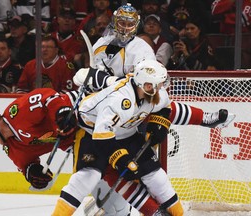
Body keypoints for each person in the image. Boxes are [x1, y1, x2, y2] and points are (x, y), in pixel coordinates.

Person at [72, 3, 235, 215]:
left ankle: (205, 118)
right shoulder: (102, 44)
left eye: (130, 24)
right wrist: (93, 79)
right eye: (121, 22)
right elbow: (88, 79)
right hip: (107, 113)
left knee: (145, 161)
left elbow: (147, 80)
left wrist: (107, 80)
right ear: (114, 21)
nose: (124, 27)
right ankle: (117, 204)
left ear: (136, 25)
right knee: (114, 168)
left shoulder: (141, 48)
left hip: (131, 104)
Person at [52, 59, 184, 216]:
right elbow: (101, 135)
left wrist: (159, 122)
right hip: (92, 133)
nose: (162, 87)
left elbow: (164, 105)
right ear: (147, 85)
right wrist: (121, 159)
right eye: (158, 83)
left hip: (127, 133)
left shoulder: (153, 91)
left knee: (157, 177)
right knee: (86, 178)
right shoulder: (119, 100)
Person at [0, 88, 78, 189]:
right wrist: (32, 171)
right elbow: (26, 166)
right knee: (86, 173)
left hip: (79, 111)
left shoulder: (17, 112)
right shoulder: (12, 149)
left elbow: (49, 96)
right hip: (75, 140)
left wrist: (61, 113)